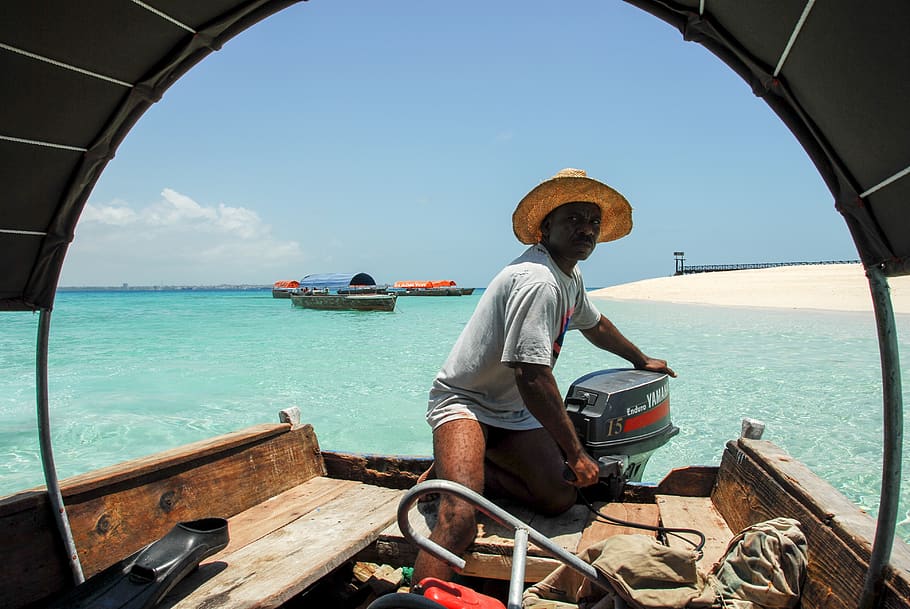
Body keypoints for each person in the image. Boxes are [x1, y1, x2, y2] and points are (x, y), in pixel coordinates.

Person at [411, 168, 677, 584]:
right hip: (465, 402)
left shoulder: (567, 275)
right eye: (574, 219)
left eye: (593, 222)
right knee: (459, 519)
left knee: (557, 498)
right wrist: (576, 454)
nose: (586, 230)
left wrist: (640, 358)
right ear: (545, 226)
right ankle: (420, 590)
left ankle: (470, 468)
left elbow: (594, 323)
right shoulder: (538, 282)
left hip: (512, 411)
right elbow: (532, 377)